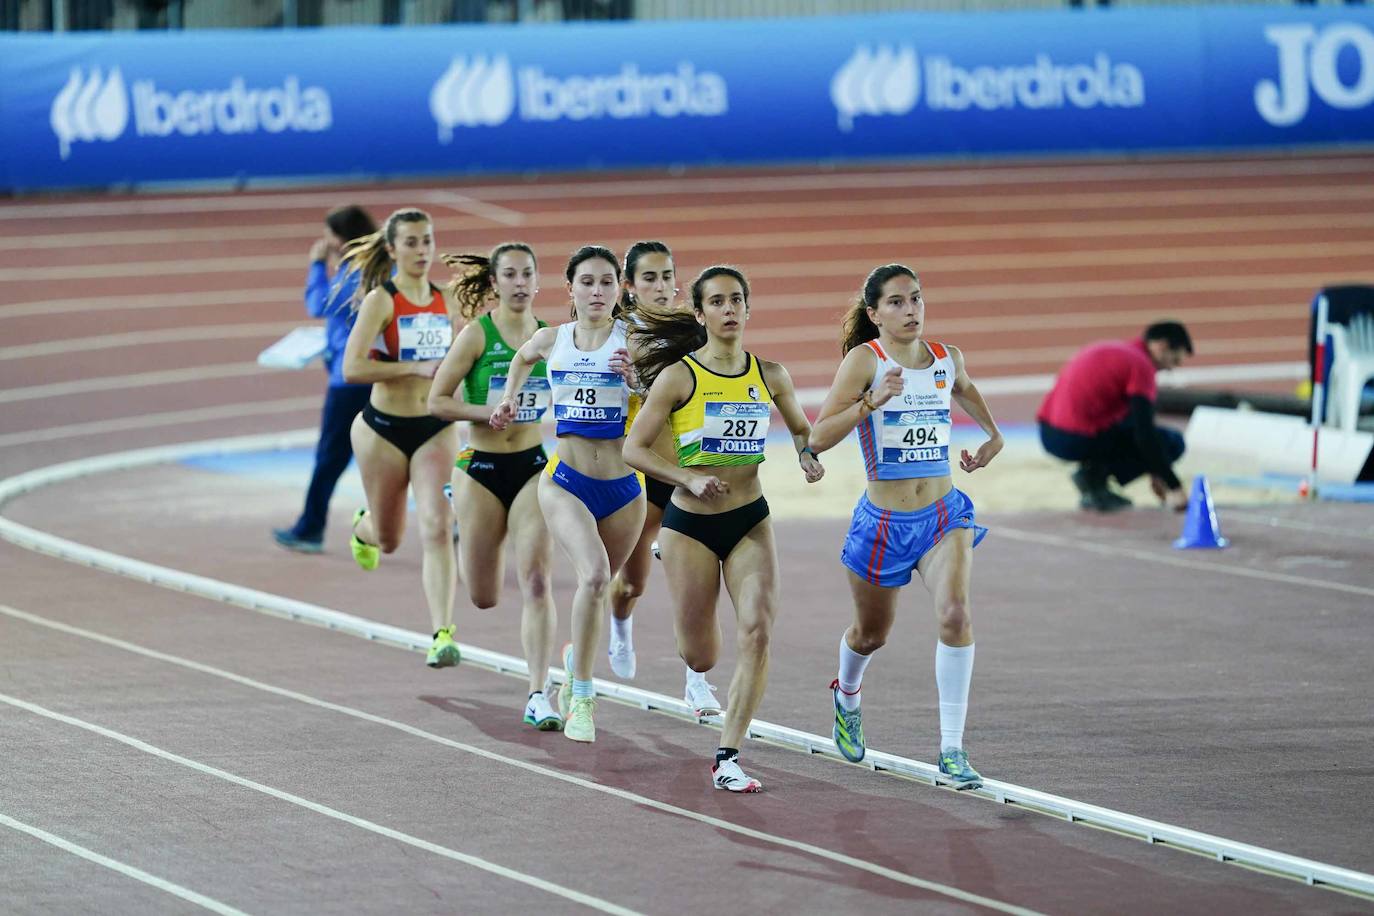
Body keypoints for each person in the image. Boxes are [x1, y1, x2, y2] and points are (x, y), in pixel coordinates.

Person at [625, 265, 824, 793]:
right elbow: (634, 448)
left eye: (737, 300)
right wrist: (686, 478)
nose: (729, 309)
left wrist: (807, 455)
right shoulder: (679, 378)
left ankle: (728, 754)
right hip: (689, 525)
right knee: (701, 654)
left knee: (757, 629)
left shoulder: (771, 374)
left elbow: (802, 428)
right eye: (717, 302)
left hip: (748, 519)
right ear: (701, 314)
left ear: (748, 309)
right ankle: (670, 565)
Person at [808, 263, 1002, 790]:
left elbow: (964, 386)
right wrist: (873, 401)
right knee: (871, 635)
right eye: (895, 302)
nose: (910, 309)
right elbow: (818, 437)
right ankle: (847, 696)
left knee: (956, 614)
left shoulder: (945, 357)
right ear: (874, 314)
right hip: (884, 524)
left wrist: (992, 435)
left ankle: (953, 749)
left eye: (915, 298)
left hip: (944, 514)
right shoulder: (863, 362)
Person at [490, 245, 644, 744]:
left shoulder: (633, 340)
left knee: (599, 590)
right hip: (565, 482)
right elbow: (521, 358)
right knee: (595, 577)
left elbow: (667, 395)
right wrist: (511, 397)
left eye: (606, 282)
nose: (597, 291)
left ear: (619, 289)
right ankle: (581, 696)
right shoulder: (551, 339)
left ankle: (578, 655)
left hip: (624, 487)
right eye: (587, 282)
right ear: (571, 288)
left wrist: (637, 380)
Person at [428, 243, 562, 731]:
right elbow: (437, 400)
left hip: (531, 465)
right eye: (510, 274)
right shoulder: (476, 336)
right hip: (480, 467)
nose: (521, 283)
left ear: (538, 280)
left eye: (528, 273)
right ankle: (460, 510)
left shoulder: (553, 338)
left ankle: (537, 693)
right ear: (495, 282)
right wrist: (484, 412)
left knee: (537, 580)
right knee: (484, 595)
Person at [339, 208, 463, 669]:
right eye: (411, 242)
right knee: (390, 539)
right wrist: (412, 368)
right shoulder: (382, 301)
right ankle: (363, 527)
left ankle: (443, 633)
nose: (422, 250)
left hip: (435, 426)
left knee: (437, 524)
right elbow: (352, 369)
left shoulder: (448, 300)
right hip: (383, 430)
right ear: (392, 249)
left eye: (427, 241)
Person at [605, 241, 721, 714]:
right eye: (648, 277)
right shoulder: (611, 334)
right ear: (629, 287)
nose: (660, 286)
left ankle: (697, 681)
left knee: (693, 583)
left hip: (684, 475)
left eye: (667, 276)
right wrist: (626, 383)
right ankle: (619, 624)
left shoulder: (693, 331)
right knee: (632, 583)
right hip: (637, 473)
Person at [273, 205, 378, 554]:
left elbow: (319, 304)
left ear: (343, 237)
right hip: (378, 376)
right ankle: (458, 519)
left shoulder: (355, 271)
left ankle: (310, 528)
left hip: (350, 381)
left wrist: (317, 264)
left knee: (330, 457)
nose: (325, 241)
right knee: (398, 453)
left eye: (329, 234)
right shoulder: (382, 266)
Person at [1037, 322, 1194, 512]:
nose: (1171, 369)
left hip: (1048, 433)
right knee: (1172, 442)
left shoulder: (1115, 350)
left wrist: (1156, 469)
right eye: (1174, 360)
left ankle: (1093, 477)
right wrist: (1173, 485)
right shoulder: (1141, 366)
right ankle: (1094, 479)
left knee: (1131, 420)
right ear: (1161, 346)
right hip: (1075, 440)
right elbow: (1144, 434)